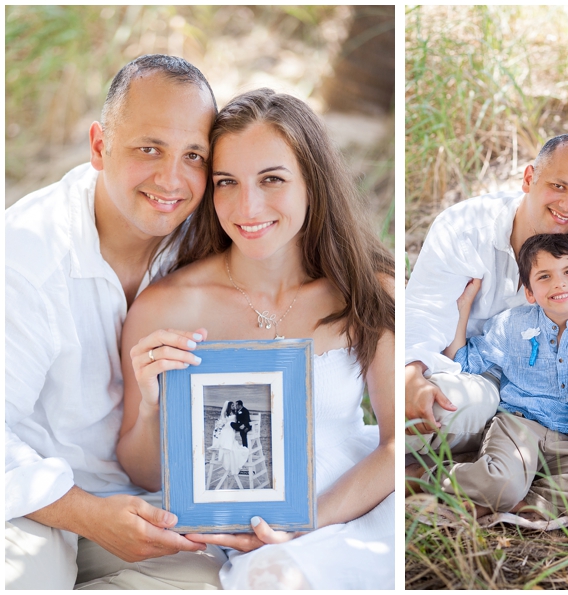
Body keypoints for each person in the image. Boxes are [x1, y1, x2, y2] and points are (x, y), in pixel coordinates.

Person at [116, 88, 395, 589]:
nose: (248, 206)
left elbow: (400, 442)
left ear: (313, 181)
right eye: (227, 182)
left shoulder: (369, 288)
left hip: (359, 505)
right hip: (249, 544)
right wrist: (155, 407)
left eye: (272, 179)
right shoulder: (166, 305)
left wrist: (302, 523)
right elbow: (147, 477)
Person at [4, 55, 227, 589]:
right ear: (100, 146)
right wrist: (86, 515)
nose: (171, 179)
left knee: (221, 580)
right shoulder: (26, 255)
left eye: (193, 155)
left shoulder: (213, 237)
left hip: (151, 500)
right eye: (149, 149)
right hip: (32, 501)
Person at [406, 134, 568, 462]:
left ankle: (465, 462)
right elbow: (424, 309)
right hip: (470, 374)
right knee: (436, 404)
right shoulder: (464, 227)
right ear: (529, 178)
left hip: (545, 402)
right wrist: (411, 374)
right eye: (558, 186)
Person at [428, 234, 568, 521]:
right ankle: (428, 475)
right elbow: (463, 363)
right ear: (529, 292)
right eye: (545, 276)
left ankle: (524, 501)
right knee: (501, 484)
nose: (559, 283)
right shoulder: (511, 324)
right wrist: (463, 312)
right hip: (518, 426)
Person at [210, 401, 250, 481]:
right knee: (226, 432)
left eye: (234, 405)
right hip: (227, 427)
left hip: (232, 427)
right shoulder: (226, 413)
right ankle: (226, 445)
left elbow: (240, 420)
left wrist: (243, 425)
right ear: (228, 406)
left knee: (230, 432)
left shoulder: (236, 412)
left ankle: (227, 445)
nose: (233, 406)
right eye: (232, 405)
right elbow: (223, 421)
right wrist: (220, 425)